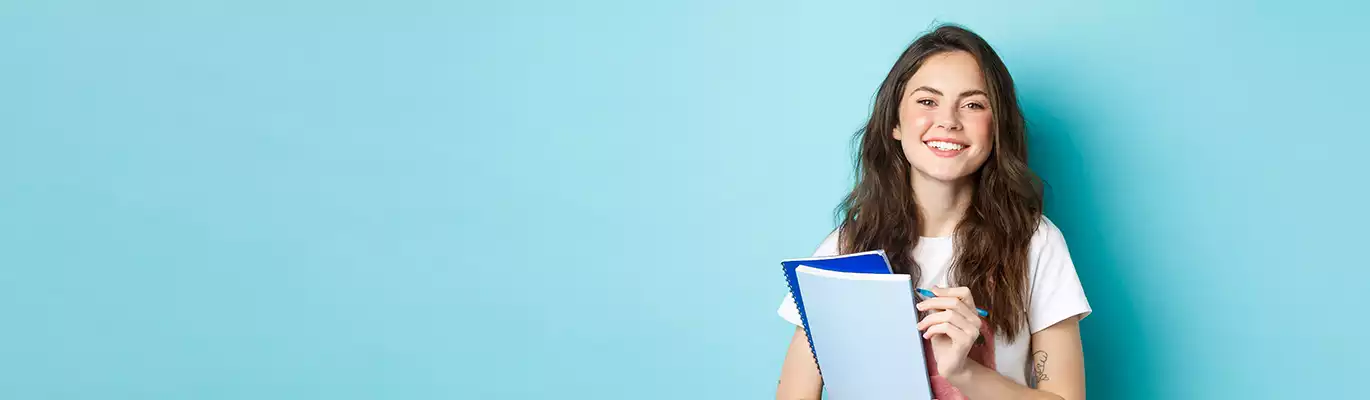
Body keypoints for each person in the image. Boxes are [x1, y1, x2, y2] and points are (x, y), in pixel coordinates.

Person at [775, 24, 1091, 400]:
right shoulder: (846, 247)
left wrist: (963, 372)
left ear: (996, 128)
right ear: (894, 122)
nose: (949, 120)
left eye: (973, 104)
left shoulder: (1035, 242)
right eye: (927, 101)